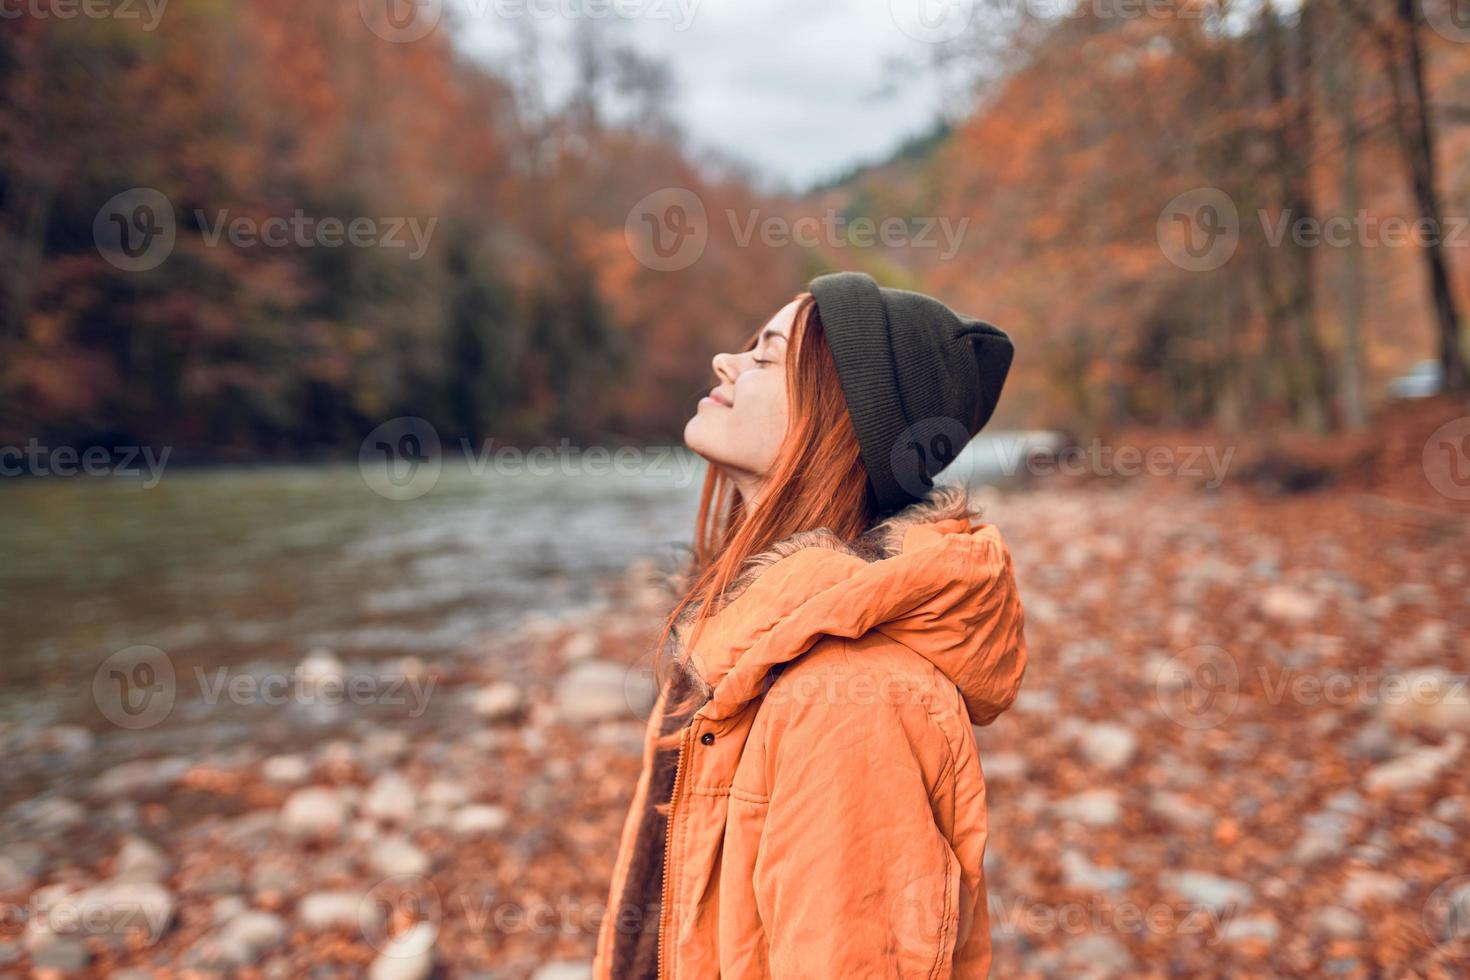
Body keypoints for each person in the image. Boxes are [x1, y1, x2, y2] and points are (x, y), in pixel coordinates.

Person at [593, 271, 1027, 979]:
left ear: (840, 416)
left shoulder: (849, 703)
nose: (723, 362)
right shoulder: (737, 641)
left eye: (764, 357)